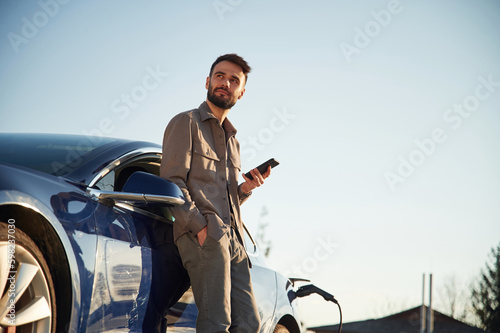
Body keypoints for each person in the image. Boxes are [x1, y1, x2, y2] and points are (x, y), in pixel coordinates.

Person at [160, 53, 270, 333]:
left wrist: (245, 188)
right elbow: (172, 182)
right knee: (216, 323)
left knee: (249, 324)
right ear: (208, 81)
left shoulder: (234, 142)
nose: (226, 83)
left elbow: (227, 195)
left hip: (235, 240)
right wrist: (200, 227)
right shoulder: (185, 122)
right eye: (220, 76)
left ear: (241, 92)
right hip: (205, 236)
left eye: (234, 80)